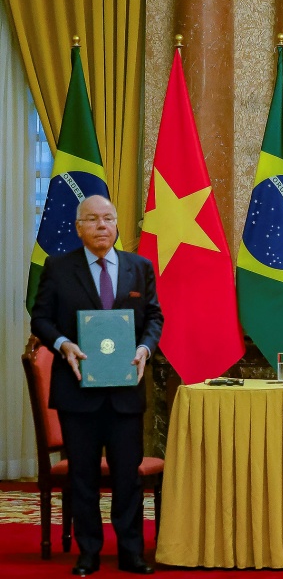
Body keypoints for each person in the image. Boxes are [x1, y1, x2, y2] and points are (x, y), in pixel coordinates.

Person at [30, 195, 162, 576]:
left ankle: (131, 552)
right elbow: (40, 319)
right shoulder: (58, 268)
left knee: (127, 477)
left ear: (117, 225)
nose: (102, 226)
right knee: (83, 477)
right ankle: (88, 552)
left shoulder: (139, 267)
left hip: (125, 392)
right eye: (92, 219)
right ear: (78, 228)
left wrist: (144, 348)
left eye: (108, 219)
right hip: (77, 393)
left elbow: (154, 317)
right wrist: (62, 344)